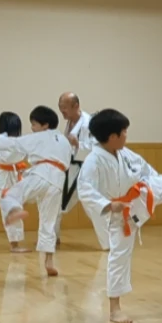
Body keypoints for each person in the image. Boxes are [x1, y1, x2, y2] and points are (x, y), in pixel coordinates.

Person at [78, 109, 162, 323]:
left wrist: (151, 186)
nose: (127, 136)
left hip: (142, 193)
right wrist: (108, 205)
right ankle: (114, 309)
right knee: (119, 256)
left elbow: (146, 171)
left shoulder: (125, 153)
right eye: (124, 132)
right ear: (112, 137)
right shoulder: (94, 161)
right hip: (120, 212)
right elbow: (85, 190)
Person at [0, 106, 72, 278]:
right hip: (58, 181)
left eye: (34, 124)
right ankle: (49, 261)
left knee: (11, 194)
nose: (32, 128)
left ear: (45, 125)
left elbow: (12, 143)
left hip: (41, 173)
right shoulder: (63, 140)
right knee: (48, 222)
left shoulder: (39, 136)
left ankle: (15, 209)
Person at [56, 92, 110, 250]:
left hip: (86, 170)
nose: (62, 111)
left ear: (76, 106)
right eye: (60, 108)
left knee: (92, 206)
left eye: (65, 108)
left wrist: (78, 144)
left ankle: (109, 243)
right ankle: (52, 237)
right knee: (56, 202)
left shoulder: (90, 123)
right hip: (70, 168)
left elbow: (98, 149)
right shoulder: (70, 123)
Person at [0, 111, 30, 253]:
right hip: (4, 175)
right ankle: (14, 244)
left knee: (17, 204)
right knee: (8, 204)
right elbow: (9, 158)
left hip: (16, 173)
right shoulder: (0, 140)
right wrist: (22, 149)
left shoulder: (16, 140)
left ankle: (16, 241)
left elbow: (20, 155)